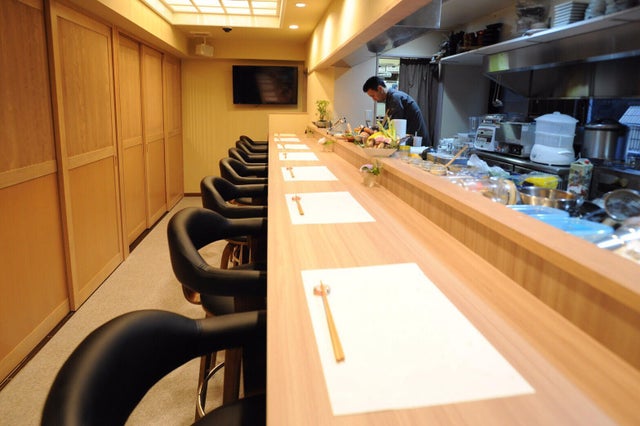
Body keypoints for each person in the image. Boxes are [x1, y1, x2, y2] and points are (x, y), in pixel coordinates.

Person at [362, 76, 428, 144]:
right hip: (412, 140)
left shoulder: (395, 98)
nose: (373, 99)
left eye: (373, 95)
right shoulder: (391, 98)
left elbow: (395, 128)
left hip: (418, 143)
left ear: (380, 89)